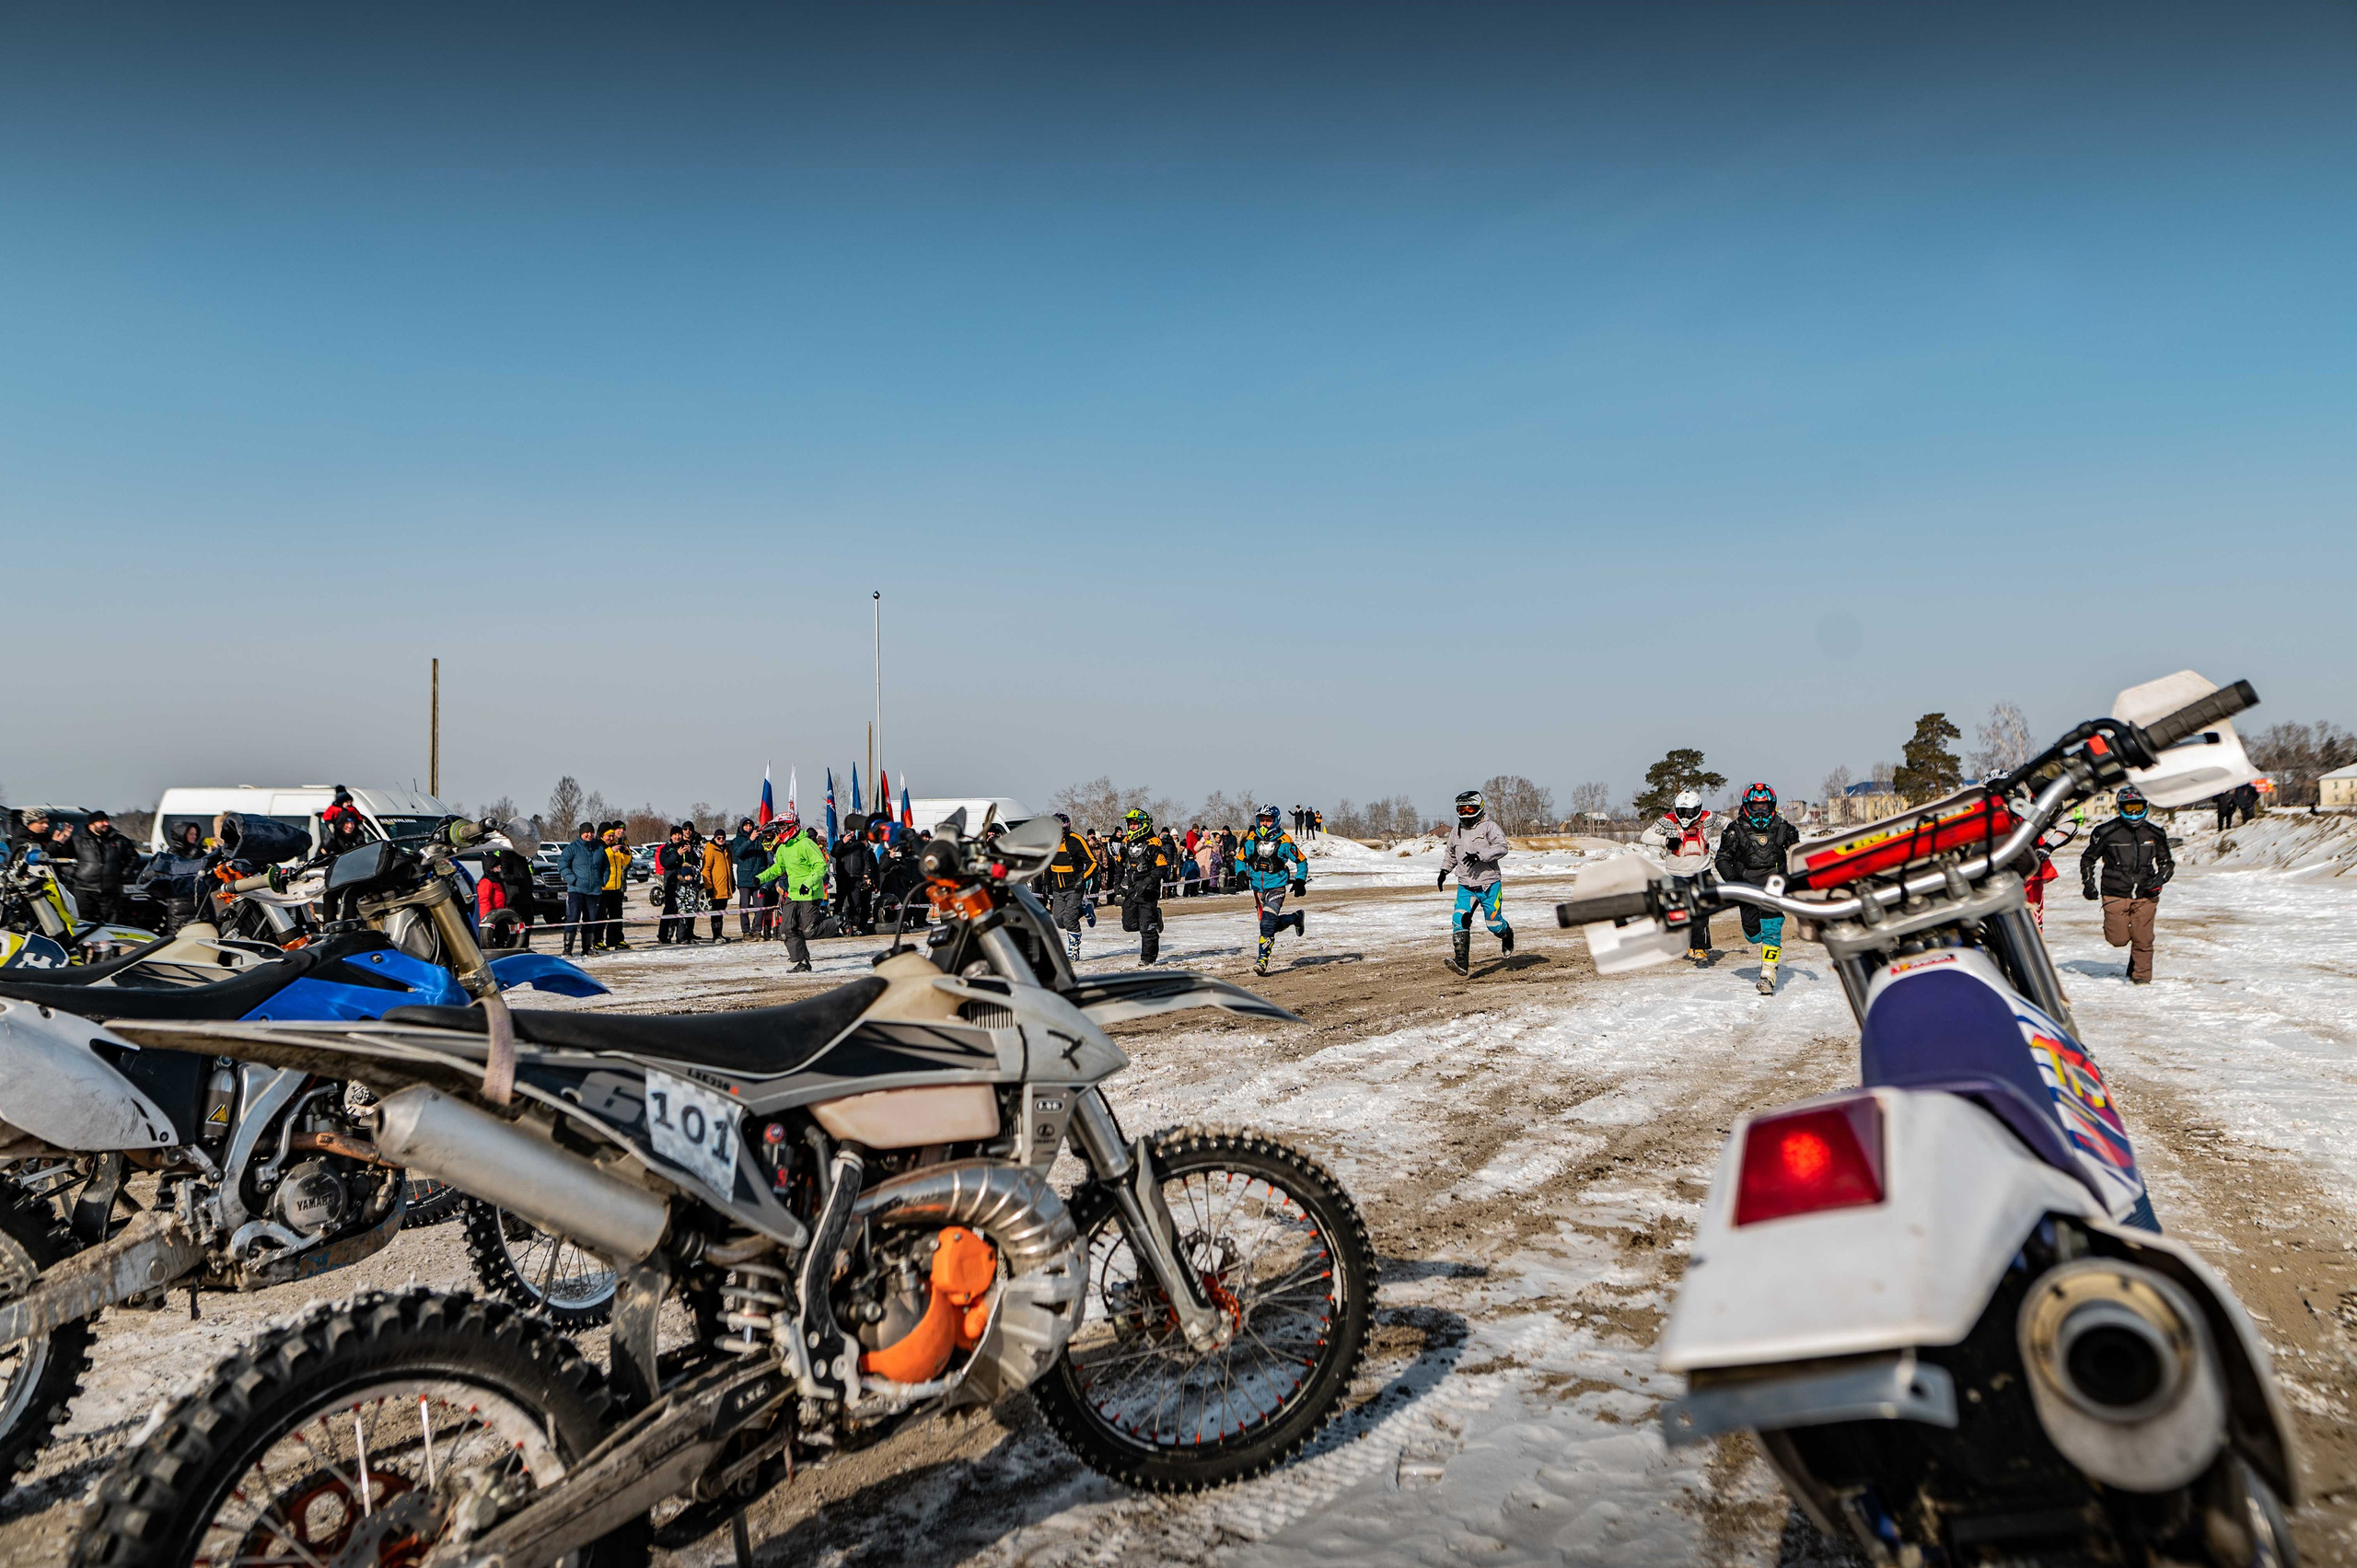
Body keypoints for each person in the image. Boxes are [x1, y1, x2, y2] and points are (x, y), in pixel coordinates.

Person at [1714, 784, 1802, 994]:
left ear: (1772, 806)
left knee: (1772, 929)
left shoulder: (1783, 828)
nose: (1760, 811)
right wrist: (1734, 881)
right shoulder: (1734, 830)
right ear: (1747, 806)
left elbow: (1798, 853)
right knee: (1753, 935)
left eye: (1764, 806)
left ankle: (1768, 973)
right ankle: (1769, 950)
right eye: (1756, 806)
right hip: (1747, 889)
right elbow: (1722, 859)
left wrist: (1794, 878)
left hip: (1774, 887)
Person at [2082, 784, 2173, 983]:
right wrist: (2088, 883)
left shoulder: (2154, 833)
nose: (2134, 813)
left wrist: (2159, 880)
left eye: (2138, 808)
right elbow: (2088, 859)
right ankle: (2134, 949)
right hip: (2115, 890)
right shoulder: (2105, 832)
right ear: (2120, 808)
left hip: (2146, 893)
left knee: (2144, 938)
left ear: (2145, 807)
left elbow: (2166, 863)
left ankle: (2141, 978)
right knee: (2118, 939)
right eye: (2129, 808)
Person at [1439, 789, 1513, 975]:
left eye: (1469, 810)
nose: (1465, 814)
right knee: (1459, 920)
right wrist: (1444, 871)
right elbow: (1450, 854)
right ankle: (1462, 963)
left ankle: (1507, 934)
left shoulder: (1490, 827)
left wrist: (1480, 856)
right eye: (1461, 810)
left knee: (1493, 925)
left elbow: (1502, 847)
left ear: (1479, 808)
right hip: (1466, 886)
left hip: (1489, 885)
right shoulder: (1456, 832)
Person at [1641, 790, 1718, 961]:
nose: (1686, 816)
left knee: (1701, 910)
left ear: (1698, 809)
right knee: (1680, 911)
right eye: (1682, 811)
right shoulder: (1668, 821)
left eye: (1689, 812)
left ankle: (1700, 947)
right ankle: (1685, 944)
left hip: (1701, 871)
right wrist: (1665, 841)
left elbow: (1728, 823)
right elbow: (1645, 836)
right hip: (1677, 873)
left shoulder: (1708, 818)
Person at [1237, 804, 1309, 975]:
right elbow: (1240, 859)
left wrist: (1300, 880)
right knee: (1268, 925)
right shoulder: (1251, 839)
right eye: (1262, 820)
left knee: (1267, 924)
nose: (1264, 824)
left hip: (1276, 887)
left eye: (1268, 820)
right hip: (1258, 889)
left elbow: (1302, 860)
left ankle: (1262, 961)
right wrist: (1240, 873)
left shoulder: (1284, 841)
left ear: (1276, 821)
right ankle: (1295, 918)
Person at [757, 815, 829, 970]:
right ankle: (802, 961)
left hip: (810, 892)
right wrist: (760, 878)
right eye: (779, 827)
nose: (780, 830)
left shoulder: (807, 844)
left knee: (809, 931)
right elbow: (778, 868)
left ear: (792, 827)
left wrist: (808, 884)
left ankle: (838, 922)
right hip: (793, 893)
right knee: (787, 928)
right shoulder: (783, 847)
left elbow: (821, 866)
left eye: (783, 826)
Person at [1112, 808, 1172, 964]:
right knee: (1129, 925)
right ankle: (1156, 917)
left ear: (1143, 825)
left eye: (1134, 824)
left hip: (1148, 891)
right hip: (1131, 889)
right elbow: (1119, 864)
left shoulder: (1154, 843)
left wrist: (1147, 882)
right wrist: (1117, 882)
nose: (1131, 827)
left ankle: (1147, 959)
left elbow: (1162, 867)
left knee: (1147, 927)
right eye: (1130, 824)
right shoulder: (1125, 842)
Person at [136, 822, 212, 935]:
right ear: (181, 834)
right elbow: (181, 871)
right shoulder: (172, 854)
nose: (194, 836)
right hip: (180, 905)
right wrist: (195, 856)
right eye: (190, 833)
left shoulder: (198, 852)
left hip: (201, 902)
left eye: (195, 834)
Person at [1043, 811, 1097, 965]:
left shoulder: (1077, 840)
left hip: (1074, 887)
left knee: (1069, 919)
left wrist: (1083, 878)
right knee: (1060, 921)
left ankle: (1074, 949)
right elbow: (1047, 864)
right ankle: (1086, 908)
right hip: (1058, 889)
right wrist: (1046, 884)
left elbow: (1093, 863)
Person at [68, 810, 140, 924]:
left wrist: (123, 874)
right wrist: (74, 874)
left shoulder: (119, 840)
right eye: (102, 821)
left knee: (111, 920)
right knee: (84, 920)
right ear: (92, 823)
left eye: (107, 821)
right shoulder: (77, 840)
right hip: (84, 889)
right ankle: (86, 942)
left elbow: (133, 858)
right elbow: (63, 860)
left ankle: (107, 942)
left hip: (110, 889)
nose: (106, 824)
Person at [557, 821, 606, 957]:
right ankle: (568, 949)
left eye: (591, 832)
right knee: (573, 918)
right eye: (586, 832)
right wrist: (572, 879)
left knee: (590, 920)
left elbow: (605, 866)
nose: (589, 835)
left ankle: (587, 948)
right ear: (581, 833)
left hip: (594, 890)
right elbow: (562, 865)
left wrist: (603, 880)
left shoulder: (599, 848)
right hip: (576, 890)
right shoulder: (572, 848)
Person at [829, 813, 876, 935]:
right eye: (849, 831)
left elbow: (866, 861)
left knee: (855, 903)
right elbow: (834, 853)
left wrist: (866, 875)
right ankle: (835, 927)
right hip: (843, 877)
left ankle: (854, 927)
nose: (852, 833)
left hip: (856, 879)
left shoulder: (860, 845)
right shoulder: (838, 843)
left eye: (853, 831)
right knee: (839, 902)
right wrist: (843, 842)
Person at [728, 819, 771, 938]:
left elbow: (766, 855)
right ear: (742, 827)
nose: (748, 828)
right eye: (746, 826)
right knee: (745, 907)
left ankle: (757, 930)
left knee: (760, 906)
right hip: (745, 879)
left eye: (750, 825)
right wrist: (750, 840)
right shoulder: (738, 840)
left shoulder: (759, 840)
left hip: (759, 878)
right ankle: (746, 932)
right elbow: (738, 853)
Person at [601, 823, 633, 951]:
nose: (621, 831)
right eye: (618, 829)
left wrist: (626, 852)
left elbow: (624, 862)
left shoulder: (620, 843)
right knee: (601, 916)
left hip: (616, 885)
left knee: (617, 915)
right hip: (604, 886)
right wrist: (611, 850)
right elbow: (601, 858)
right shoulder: (604, 844)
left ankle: (616, 940)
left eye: (623, 829)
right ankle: (598, 941)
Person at [702, 825, 736, 941]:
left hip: (724, 887)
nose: (721, 840)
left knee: (721, 912)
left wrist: (732, 882)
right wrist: (708, 886)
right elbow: (706, 869)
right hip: (715, 888)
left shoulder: (726, 850)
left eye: (723, 838)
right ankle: (715, 935)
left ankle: (720, 934)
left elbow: (729, 868)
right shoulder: (710, 850)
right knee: (716, 913)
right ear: (715, 838)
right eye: (719, 838)